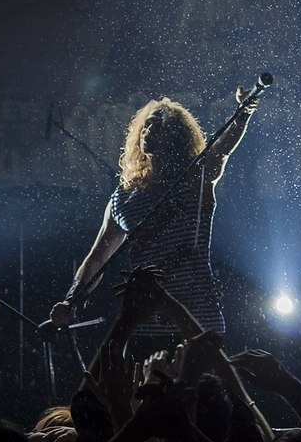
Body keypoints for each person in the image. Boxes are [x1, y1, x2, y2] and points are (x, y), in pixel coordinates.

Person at [49, 87, 257, 339]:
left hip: (198, 323)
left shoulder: (194, 180)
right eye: (147, 125)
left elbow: (221, 151)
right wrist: (72, 299)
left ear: (177, 136)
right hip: (144, 326)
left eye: (158, 125)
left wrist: (243, 112)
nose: (149, 131)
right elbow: (97, 259)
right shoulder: (123, 197)